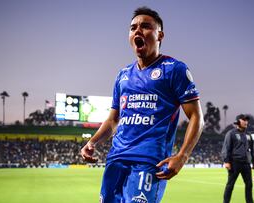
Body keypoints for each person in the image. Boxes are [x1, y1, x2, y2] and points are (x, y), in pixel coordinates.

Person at [80, 6, 204, 203]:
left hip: (149, 161)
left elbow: (197, 117)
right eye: (133, 27)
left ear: (159, 35)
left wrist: (182, 156)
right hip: (116, 159)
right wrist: (92, 142)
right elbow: (113, 120)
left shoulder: (174, 69)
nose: (138, 30)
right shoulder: (123, 75)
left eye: (145, 26)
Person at [221, 114, 254, 203]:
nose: (246, 122)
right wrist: (226, 161)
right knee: (230, 185)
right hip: (234, 163)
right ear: (237, 122)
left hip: (246, 163)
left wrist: (253, 162)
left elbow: (251, 149)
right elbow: (226, 147)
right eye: (243, 120)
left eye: (247, 120)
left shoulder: (248, 134)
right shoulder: (231, 133)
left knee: (249, 185)